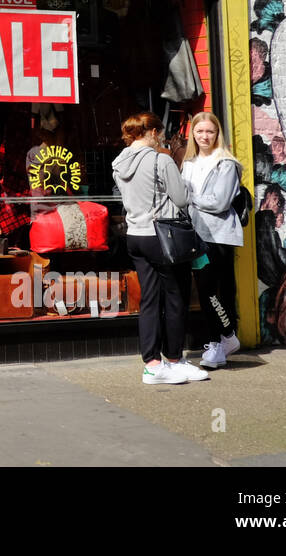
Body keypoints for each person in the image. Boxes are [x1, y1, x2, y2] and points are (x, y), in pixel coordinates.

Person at [111, 111, 208, 385]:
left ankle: (152, 364)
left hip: (135, 235)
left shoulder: (119, 162)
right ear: (152, 133)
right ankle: (175, 359)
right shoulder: (160, 160)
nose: (162, 138)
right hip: (161, 236)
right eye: (161, 133)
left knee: (149, 300)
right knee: (176, 297)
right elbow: (180, 198)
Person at [181, 111, 243, 369]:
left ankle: (218, 343)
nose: (205, 136)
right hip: (195, 235)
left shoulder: (226, 164)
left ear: (218, 134)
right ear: (192, 134)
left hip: (217, 236)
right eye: (200, 131)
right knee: (205, 291)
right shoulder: (189, 163)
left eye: (210, 131)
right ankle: (224, 339)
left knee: (213, 290)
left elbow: (219, 202)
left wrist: (189, 197)